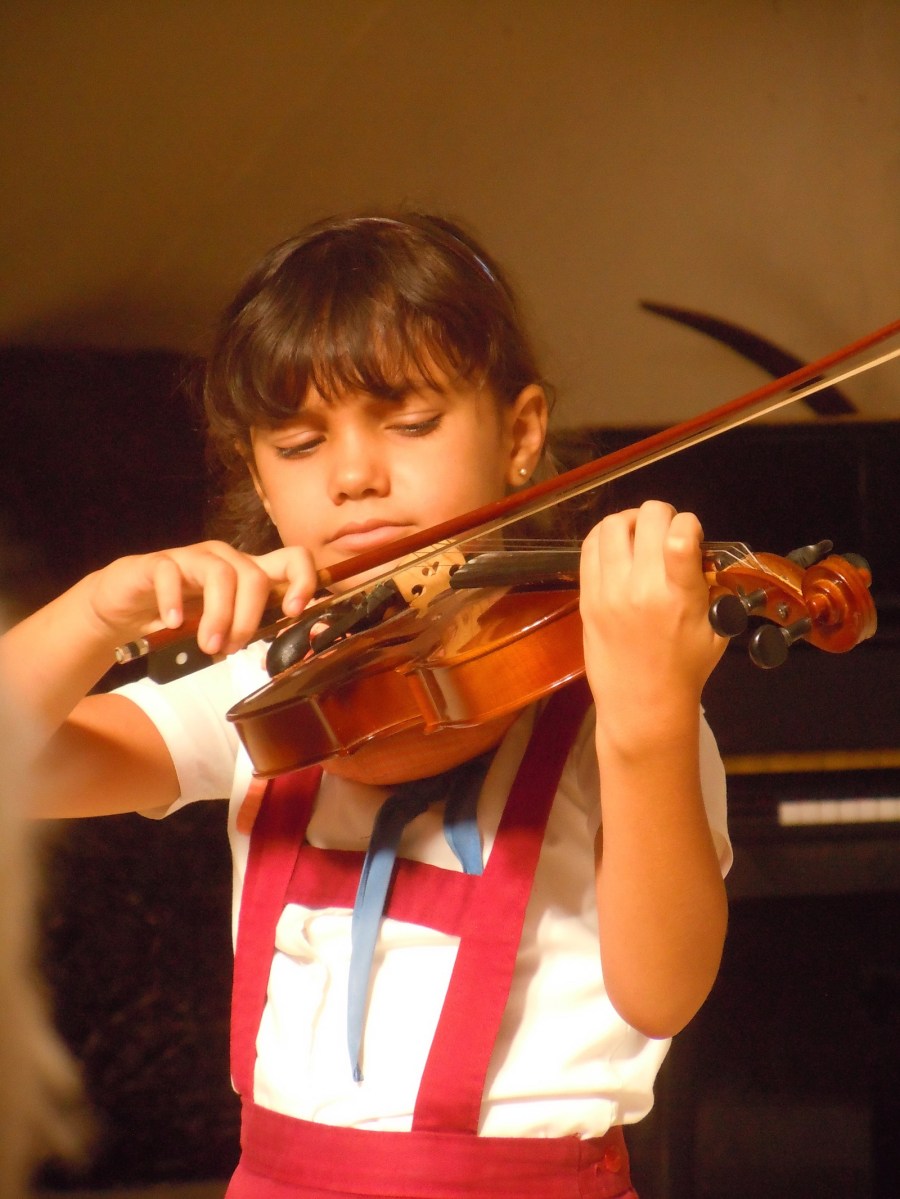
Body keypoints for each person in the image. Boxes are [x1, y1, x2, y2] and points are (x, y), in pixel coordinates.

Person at [0, 213, 731, 1198]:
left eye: (413, 423)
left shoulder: (608, 694)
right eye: (299, 443)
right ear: (257, 470)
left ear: (519, 435)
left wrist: (650, 719)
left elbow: (661, 993)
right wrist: (96, 612)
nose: (354, 478)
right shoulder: (263, 689)